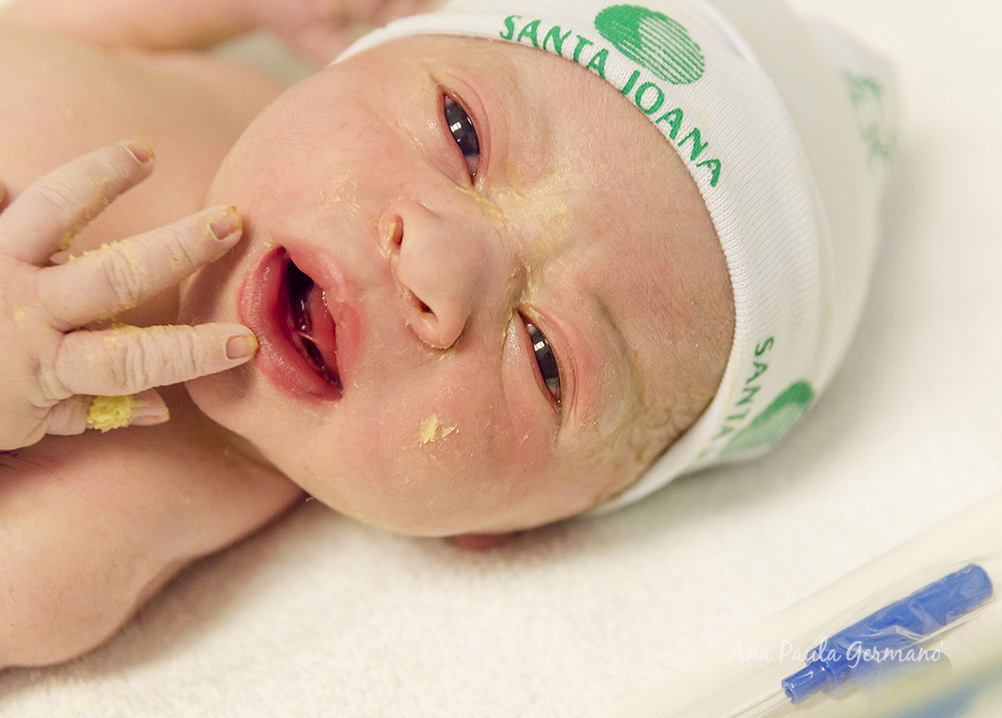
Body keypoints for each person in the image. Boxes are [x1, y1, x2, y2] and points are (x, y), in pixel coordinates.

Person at [0, 0, 897, 668]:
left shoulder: (78, 543)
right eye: (463, 134)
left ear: (504, 530)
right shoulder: (204, 87)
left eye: (545, 358)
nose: (437, 262)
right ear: (370, 55)